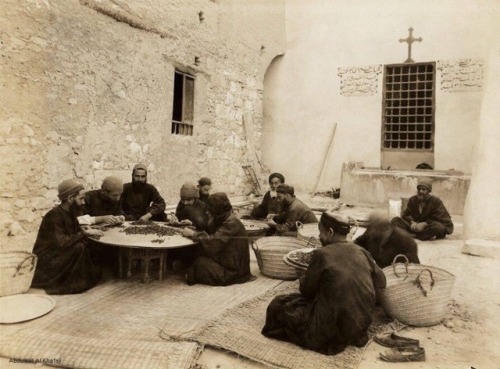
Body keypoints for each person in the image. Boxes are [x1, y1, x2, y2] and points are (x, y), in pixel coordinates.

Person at [262, 211, 387, 355]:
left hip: (330, 331)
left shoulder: (322, 254)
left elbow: (307, 292)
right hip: (360, 326)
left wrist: (303, 276)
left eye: (320, 232)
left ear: (330, 232)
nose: (319, 237)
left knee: (278, 305)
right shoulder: (362, 251)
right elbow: (382, 281)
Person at [31, 179, 103, 295]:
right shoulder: (53, 216)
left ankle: (83, 279)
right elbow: (62, 242)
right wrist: (83, 233)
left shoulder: (70, 212)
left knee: (88, 244)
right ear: (70, 199)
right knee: (79, 247)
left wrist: (84, 230)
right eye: (81, 198)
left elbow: (72, 232)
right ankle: (75, 284)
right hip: (47, 262)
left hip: (58, 255)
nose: (83, 202)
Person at [182, 192, 252, 286]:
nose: (207, 212)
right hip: (228, 262)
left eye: (210, 210)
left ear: (217, 209)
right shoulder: (225, 217)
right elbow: (211, 231)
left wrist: (193, 234)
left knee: (199, 262)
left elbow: (212, 243)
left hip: (233, 272)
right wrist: (192, 225)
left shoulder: (231, 223)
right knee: (197, 255)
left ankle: (190, 275)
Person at [354, 210, 420, 268]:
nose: (370, 232)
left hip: (396, 275)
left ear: (385, 227)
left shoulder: (405, 241)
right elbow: (355, 245)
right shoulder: (372, 234)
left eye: (373, 229)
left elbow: (413, 267)